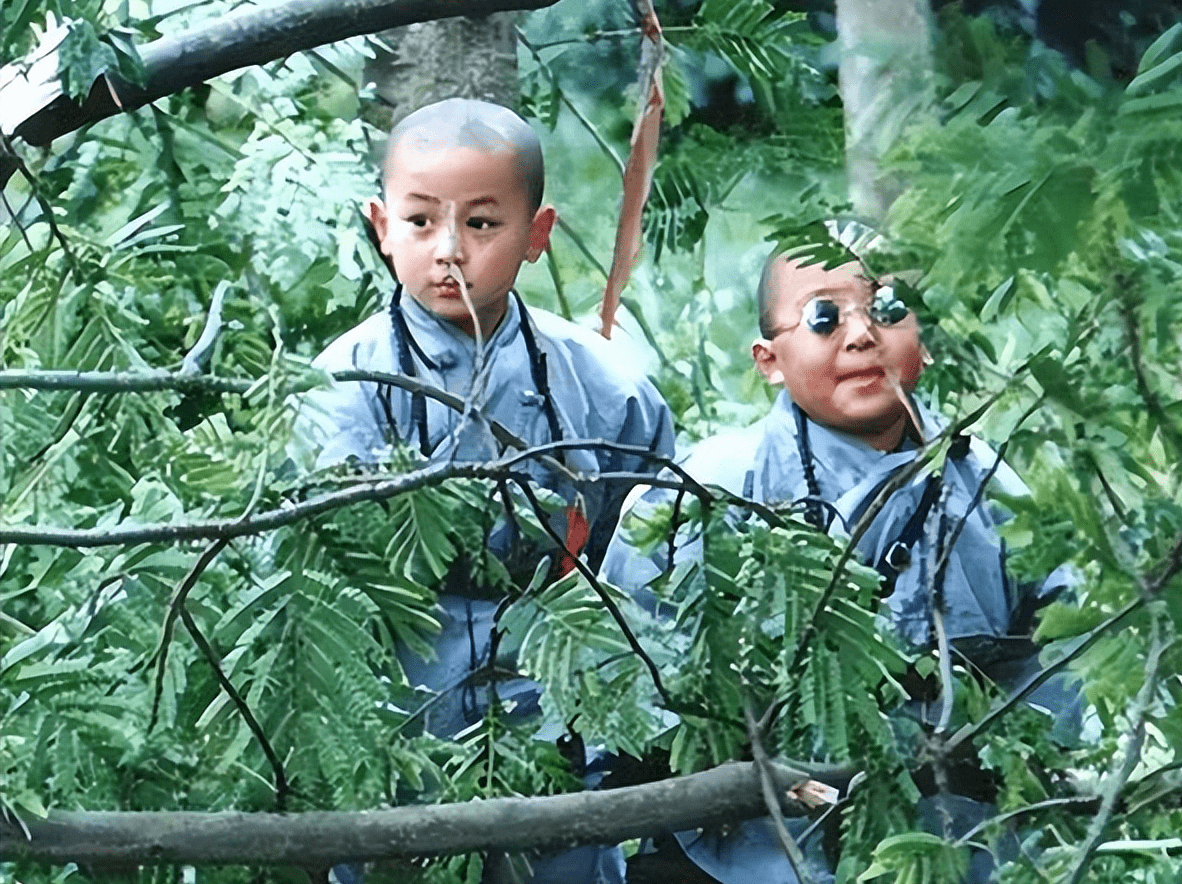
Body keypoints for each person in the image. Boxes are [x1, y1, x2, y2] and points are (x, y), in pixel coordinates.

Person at [600, 223, 1079, 884]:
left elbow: (1062, 657)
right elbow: (626, 662)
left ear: (929, 342)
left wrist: (1026, 767)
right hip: (751, 840)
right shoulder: (712, 488)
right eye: (824, 317)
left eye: (887, 310)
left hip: (952, 835)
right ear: (769, 360)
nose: (862, 335)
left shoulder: (990, 491)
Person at [291, 97, 675, 884]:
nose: (450, 253)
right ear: (380, 225)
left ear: (537, 235)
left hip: (555, 700)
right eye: (422, 222)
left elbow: (645, 559)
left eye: (483, 224)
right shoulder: (339, 386)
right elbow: (322, 583)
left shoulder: (603, 385)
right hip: (400, 707)